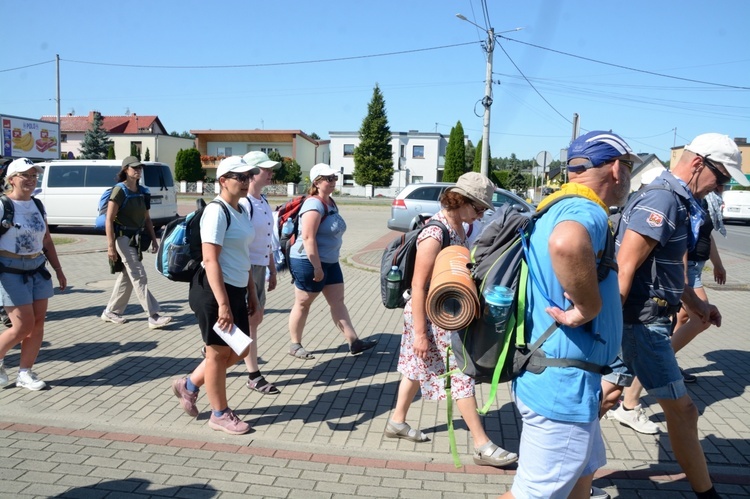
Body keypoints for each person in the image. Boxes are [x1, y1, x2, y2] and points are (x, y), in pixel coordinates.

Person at [601, 133, 748, 499]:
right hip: (641, 322)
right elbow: (625, 266)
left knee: (604, 397)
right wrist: (605, 327)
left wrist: (698, 306)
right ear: (699, 163)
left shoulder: (675, 198)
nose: (722, 187)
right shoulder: (665, 198)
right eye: (722, 176)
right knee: (683, 412)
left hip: (640, 319)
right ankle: (707, 494)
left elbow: (663, 270)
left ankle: (553, 458)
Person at [501, 131, 635, 498]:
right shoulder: (585, 208)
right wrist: (589, 308)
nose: (629, 177)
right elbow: (567, 244)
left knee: (582, 478)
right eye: (629, 167)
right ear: (615, 170)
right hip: (563, 386)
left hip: (563, 377)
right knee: (534, 493)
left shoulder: (554, 205)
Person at [385, 172, 518, 468]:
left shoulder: (459, 226)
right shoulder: (435, 233)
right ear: (462, 201)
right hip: (430, 317)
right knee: (460, 375)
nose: (482, 213)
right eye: (480, 207)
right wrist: (420, 333)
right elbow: (419, 286)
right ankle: (482, 445)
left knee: (415, 368)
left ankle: (397, 422)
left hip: (443, 312)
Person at [172, 156, 260, 435]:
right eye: (240, 177)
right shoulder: (215, 212)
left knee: (241, 348)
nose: (246, 181)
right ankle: (219, 414)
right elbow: (211, 260)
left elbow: (242, 256)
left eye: (248, 176)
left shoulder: (242, 210)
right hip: (211, 291)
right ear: (223, 180)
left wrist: (252, 293)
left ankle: (188, 385)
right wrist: (223, 304)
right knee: (218, 353)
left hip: (235, 289)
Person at [287, 163, 377, 359]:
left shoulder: (330, 202)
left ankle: (354, 341)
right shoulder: (313, 204)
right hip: (308, 262)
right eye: (329, 178)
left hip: (330, 261)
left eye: (335, 178)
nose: (334, 181)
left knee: (337, 301)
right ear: (317, 182)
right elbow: (309, 238)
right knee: (303, 303)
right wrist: (317, 268)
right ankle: (295, 345)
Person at [0, 158, 67, 390]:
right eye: (24, 175)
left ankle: (24, 373)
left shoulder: (38, 205)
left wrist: (58, 269)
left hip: (37, 268)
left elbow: (46, 239)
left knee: (37, 325)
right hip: (10, 270)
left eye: (33, 175)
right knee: (22, 326)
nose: (30, 180)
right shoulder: (3, 206)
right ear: (11, 180)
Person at [100, 156, 171, 329]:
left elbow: (147, 219)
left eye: (140, 168)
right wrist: (110, 246)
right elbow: (109, 220)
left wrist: (155, 240)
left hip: (137, 238)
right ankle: (153, 315)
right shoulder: (120, 191)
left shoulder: (143, 191)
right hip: (123, 238)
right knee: (139, 274)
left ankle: (111, 311)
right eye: (134, 168)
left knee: (127, 275)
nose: (138, 170)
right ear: (126, 170)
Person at [238, 151, 281, 394]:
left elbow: (267, 241)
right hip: (244, 268)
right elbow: (240, 243)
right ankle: (253, 375)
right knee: (251, 322)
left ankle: (217, 347)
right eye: (266, 169)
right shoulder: (243, 203)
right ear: (252, 174)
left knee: (255, 319)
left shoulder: (262, 201)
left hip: (259, 266)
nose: (270, 173)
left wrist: (272, 270)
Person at [671, 191, 726, 382]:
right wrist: (684, 275)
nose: (721, 184)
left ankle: (666, 364)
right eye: (720, 178)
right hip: (689, 269)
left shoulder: (709, 202)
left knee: (684, 316)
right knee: (703, 318)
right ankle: (661, 362)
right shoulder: (692, 200)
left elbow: (706, 236)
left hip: (697, 267)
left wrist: (718, 265)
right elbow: (683, 240)